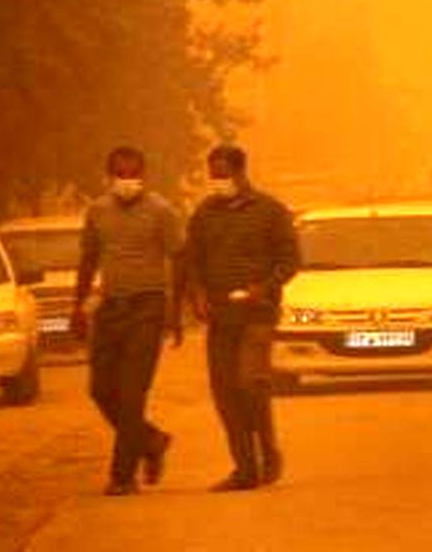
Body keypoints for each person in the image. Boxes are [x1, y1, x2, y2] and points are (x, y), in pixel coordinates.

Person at [186, 145, 300, 491]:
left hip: (257, 313)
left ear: (240, 172)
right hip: (221, 317)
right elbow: (192, 260)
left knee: (250, 382)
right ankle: (245, 468)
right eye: (213, 175)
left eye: (223, 174)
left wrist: (262, 288)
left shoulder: (270, 211)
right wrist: (198, 296)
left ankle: (268, 450)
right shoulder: (204, 213)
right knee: (225, 393)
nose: (218, 181)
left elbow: (290, 260)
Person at [73, 146, 184, 496]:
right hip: (110, 308)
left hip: (147, 308)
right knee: (101, 390)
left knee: (132, 393)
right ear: (109, 177)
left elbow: (180, 258)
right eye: (120, 174)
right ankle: (150, 440)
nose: (127, 181)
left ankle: (122, 476)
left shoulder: (161, 211)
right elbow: (88, 259)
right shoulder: (97, 211)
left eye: (133, 174)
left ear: (143, 176)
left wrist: (177, 311)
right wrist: (77, 307)